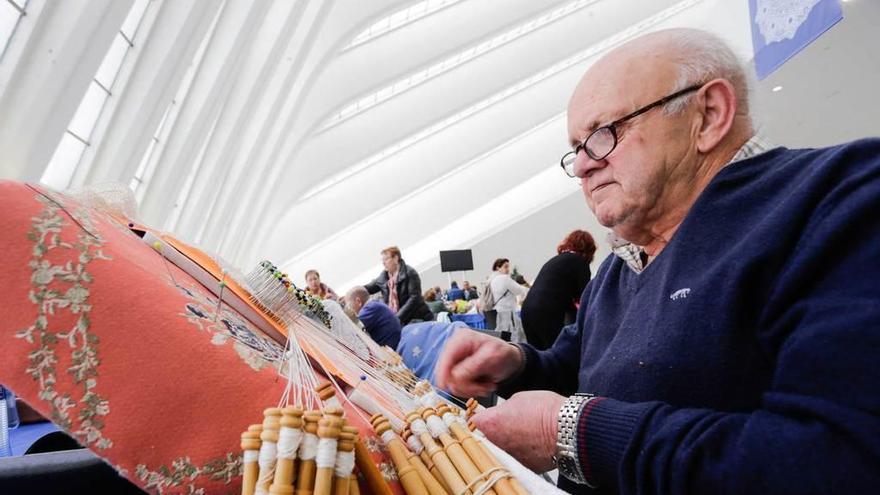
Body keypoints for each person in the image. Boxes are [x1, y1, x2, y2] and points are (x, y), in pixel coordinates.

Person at [435, 28, 880, 494]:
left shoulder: (839, 200)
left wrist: (568, 431)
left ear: (708, 115)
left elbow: (837, 459)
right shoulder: (618, 266)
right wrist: (516, 363)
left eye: (604, 134)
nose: (584, 166)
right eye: (576, 149)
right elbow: (579, 367)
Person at [521, 230, 596, 350]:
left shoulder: (556, 260)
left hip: (527, 310)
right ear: (589, 248)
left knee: (540, 356)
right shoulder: (579, 262)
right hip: (546, 311)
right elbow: (586, 297)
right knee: (557, 353)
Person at [364, 246, 434, 325]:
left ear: (396, 258)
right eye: (382, 260)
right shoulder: (384, 277)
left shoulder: (410, 273)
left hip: (417, 320)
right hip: (400, 321)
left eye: (386, 259)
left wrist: (397, 317)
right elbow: (367, 289)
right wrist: (351, 294)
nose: (383, 263)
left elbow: (415, 298)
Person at [488, 258, 528, 343]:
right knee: (515, 336)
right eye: (505, 267)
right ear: (498, 268)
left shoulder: (491, 280)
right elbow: (519, 290)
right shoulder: (504, 278)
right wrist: (530, 289)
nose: (508, 269)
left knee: (502, 336)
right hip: (508, 312)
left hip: (498, 311)